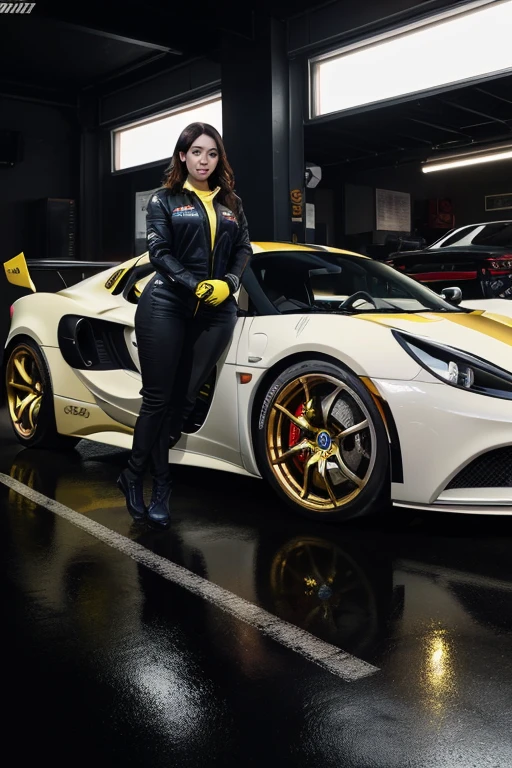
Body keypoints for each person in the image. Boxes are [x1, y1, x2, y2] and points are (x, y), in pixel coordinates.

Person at [117, 122, 252, 529]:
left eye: (212, 154)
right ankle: (154, 482)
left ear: (218, 159)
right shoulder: (164, 199)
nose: (204, 160)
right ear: (182, 156)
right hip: (167, 304)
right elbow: (157, 251)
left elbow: (244, 248)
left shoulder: (232, 203)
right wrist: (195, 284)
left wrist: (228, 284)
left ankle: (131, 475)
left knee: (184, 401)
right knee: (158, 400)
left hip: (215, 311)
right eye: (196, 152)